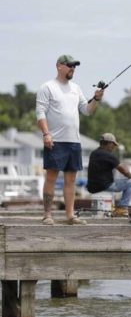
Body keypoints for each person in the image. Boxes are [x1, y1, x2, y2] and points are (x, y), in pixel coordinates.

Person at [36, 54, 105, 225]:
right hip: (54, 140)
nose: (72, 68)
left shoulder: (76, 88)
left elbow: (87, 110)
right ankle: (47, 215)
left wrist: (96, 99)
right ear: (59, 66)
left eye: (74, 66)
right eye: (69, 65)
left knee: (71, 180)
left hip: (74, 141)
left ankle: (70, 216)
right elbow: (40, 112)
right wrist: (46, 134)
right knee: (51, 177)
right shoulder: (47, 87)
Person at [87, 133, 131, 217]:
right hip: (104, 185)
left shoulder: (93, 153)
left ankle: (113, 210)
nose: (114, 147)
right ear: (109, 143)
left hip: (92, 187)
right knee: (130, 183)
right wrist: (130, 176)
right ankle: (122, 208)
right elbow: (122, 169)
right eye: (113, 145)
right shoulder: (108, 155)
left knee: (112, 184)